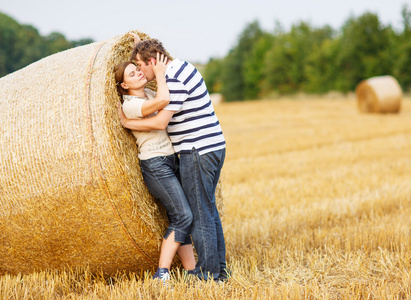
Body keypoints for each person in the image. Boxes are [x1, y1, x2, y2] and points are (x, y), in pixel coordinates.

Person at [118, 35, 228, 282]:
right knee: (207, 209)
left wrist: (127, 122)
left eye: (140, 66)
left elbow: (160, 121)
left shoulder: (173, 79)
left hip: (196, 150)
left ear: (152, 62)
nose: (141, 73)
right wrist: (138, 43)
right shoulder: (184, 66)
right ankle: (220, 269)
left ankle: (210, 275)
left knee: (199, 214)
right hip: (211, 146)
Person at [113, 52, 196, 284]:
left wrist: (139, 49)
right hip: (155, 164)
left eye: (138, 69)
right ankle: (161, 273)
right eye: (132, 73)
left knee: (181, 216)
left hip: (170, 159)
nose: (139, 73)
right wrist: (159, 73)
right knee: (183, 215)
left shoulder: (148, 93)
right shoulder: (131, 106)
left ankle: (192, 272)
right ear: (123, 86)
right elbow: (163, 101)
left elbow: (148, 71)